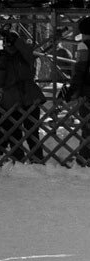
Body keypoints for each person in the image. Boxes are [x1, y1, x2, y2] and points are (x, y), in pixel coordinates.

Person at [0, 26, 46, 163]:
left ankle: (37, 160)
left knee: (32, 132)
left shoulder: (26, 57)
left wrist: (17, 40)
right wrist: (1, 68)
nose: (9, 45)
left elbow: (29, 52)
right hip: (11, 100)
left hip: (29, 98)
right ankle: (18, 160)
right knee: (13, 133)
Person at [67, 16, 90, 165]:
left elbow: (80, 69)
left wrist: (72, 90)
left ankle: (84, 159)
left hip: (88, 92)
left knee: (87, 128)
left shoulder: (84, 46)